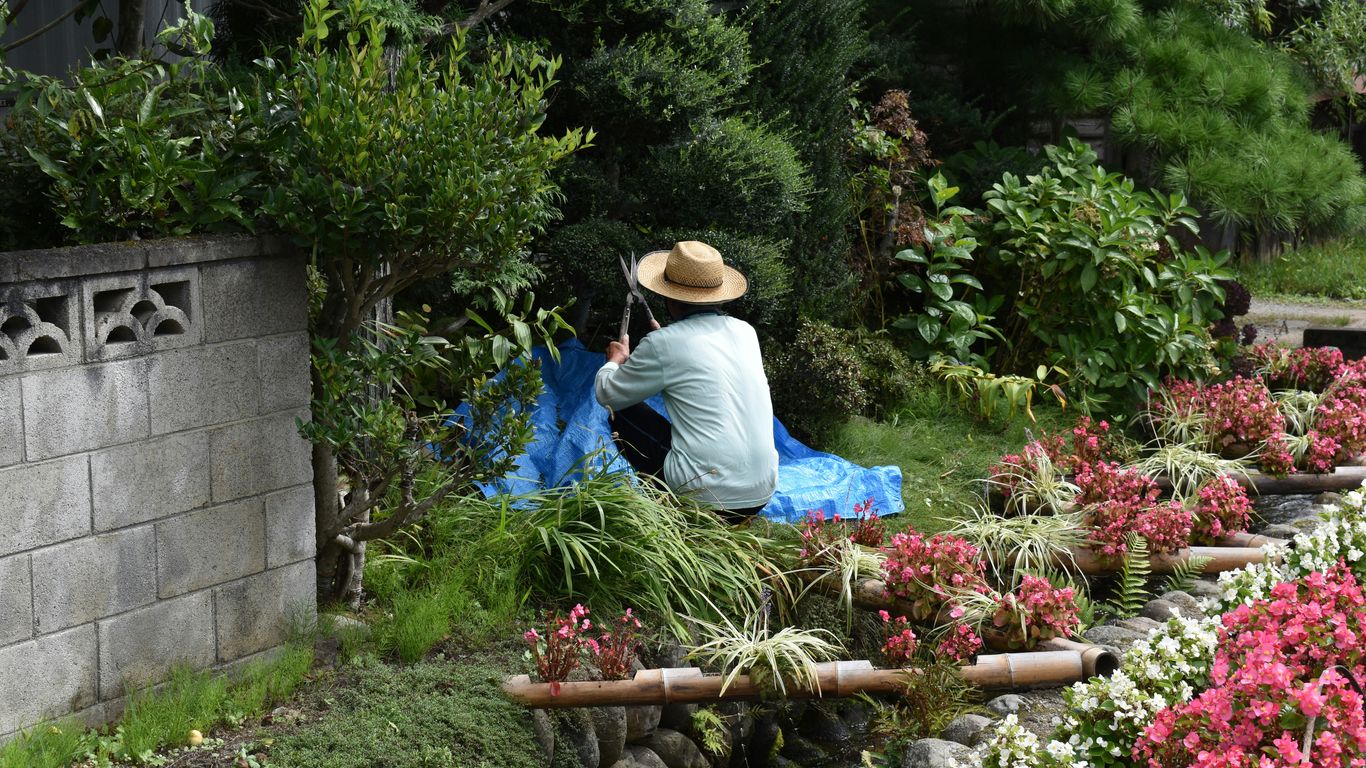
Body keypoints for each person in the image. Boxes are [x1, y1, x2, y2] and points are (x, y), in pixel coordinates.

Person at [594, 240, 779, 523]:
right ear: (719, 295)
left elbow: (608, 394)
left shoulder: (663, 343)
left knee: (622, 411)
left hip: (705, 497)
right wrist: (663, 340)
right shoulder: (745, 332)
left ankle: (669, 514)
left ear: (669, 298)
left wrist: (613, 361)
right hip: (760, 492)